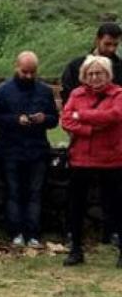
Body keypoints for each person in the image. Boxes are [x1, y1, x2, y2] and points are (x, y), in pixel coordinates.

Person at [60, 22, 122, 246]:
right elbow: (67, 110)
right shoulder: (76, 66)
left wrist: (82, 116)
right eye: (108, 43)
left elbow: (115, 114)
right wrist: (85, 126)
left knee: (113, 197)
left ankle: (112, 232)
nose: (112, 48)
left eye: (116, 44)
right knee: (76, 197)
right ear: (97, 40)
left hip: (111, 147)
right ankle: (73, 237)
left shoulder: (119, 70)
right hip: (82, 147)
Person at [0, 51, 59, 248]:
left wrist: (44, 119)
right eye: (25, 71)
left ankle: (33, 233)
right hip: (9, 150)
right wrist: (15, 119)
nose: (28, 76)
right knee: (13, 192)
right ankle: (15, 232)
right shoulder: (2, 91)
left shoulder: (44, 91)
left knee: (35, 192)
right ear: (16, 67)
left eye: (32, 72)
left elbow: (54, 120)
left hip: (37, 150)